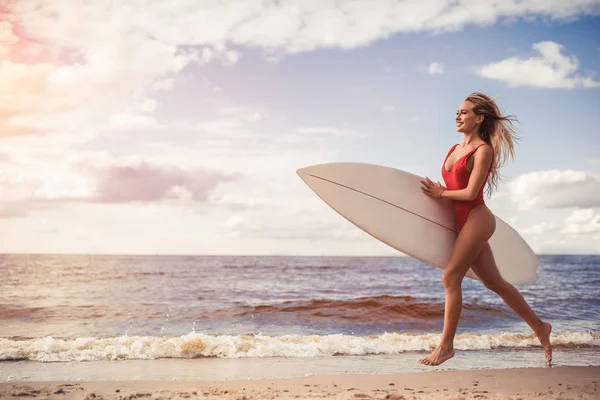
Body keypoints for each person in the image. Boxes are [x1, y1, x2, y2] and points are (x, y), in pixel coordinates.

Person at [419, 92, 552, 366]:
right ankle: (540, 327)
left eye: (464, 112)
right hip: (460, 222)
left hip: (477, 219)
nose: (458, 116)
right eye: (457, 111)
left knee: (450, 277)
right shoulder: (452, 150)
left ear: (479, 119)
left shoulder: (483, 150)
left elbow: (469, 193)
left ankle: (446, 346)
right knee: (494, 282)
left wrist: (441, 193)